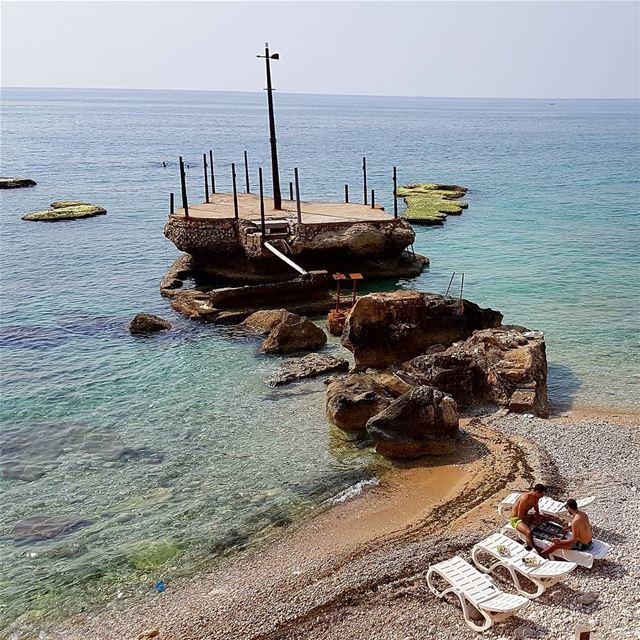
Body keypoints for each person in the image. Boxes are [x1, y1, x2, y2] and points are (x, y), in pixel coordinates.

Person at [509, 483, 548, 552]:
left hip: (525, 515)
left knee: (545, 519)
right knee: (528, 532)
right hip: (516, 519)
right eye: (541, 495)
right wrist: (532, 521)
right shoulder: (525, 498)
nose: (541, 497)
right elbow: (520, 516)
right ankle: (533, 548)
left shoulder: (536, 497)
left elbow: (536, 509)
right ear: (537, 492)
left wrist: (539, 517)